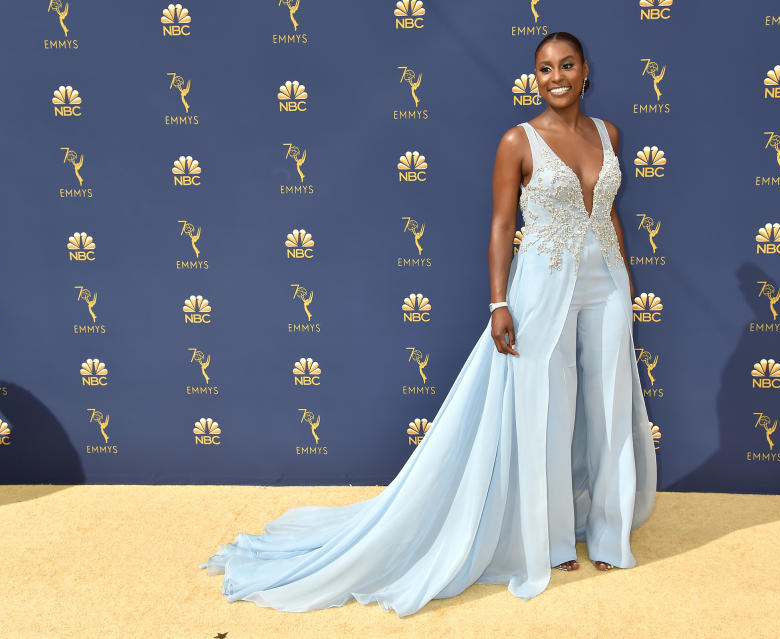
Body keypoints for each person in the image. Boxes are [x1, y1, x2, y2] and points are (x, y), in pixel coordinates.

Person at [200, 31, 657, 618]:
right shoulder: (518, 142)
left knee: (611, 405)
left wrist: (627, 277)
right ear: (534, 78)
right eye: (545, 69)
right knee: (546, 411)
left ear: (586, 71)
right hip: (542, 289)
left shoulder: (609, 135)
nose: (557, 77)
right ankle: (550, 539)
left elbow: (611, 211)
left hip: (608, 285)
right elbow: (500, 227)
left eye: (567, 65)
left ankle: (611, 533)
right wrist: (498, 304)